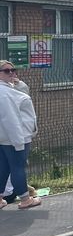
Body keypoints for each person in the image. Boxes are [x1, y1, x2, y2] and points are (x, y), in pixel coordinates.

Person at [0, 66, 41, 210]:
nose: (11, 73)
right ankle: (25, 199)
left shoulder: (8, 90)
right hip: (16, 138)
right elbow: (11, 119)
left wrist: (19, 84)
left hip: (4, 138)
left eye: (13, 70)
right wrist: (18, 142)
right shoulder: (5, 94)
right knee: (17, 167)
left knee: (3, 168)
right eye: (6, 71)